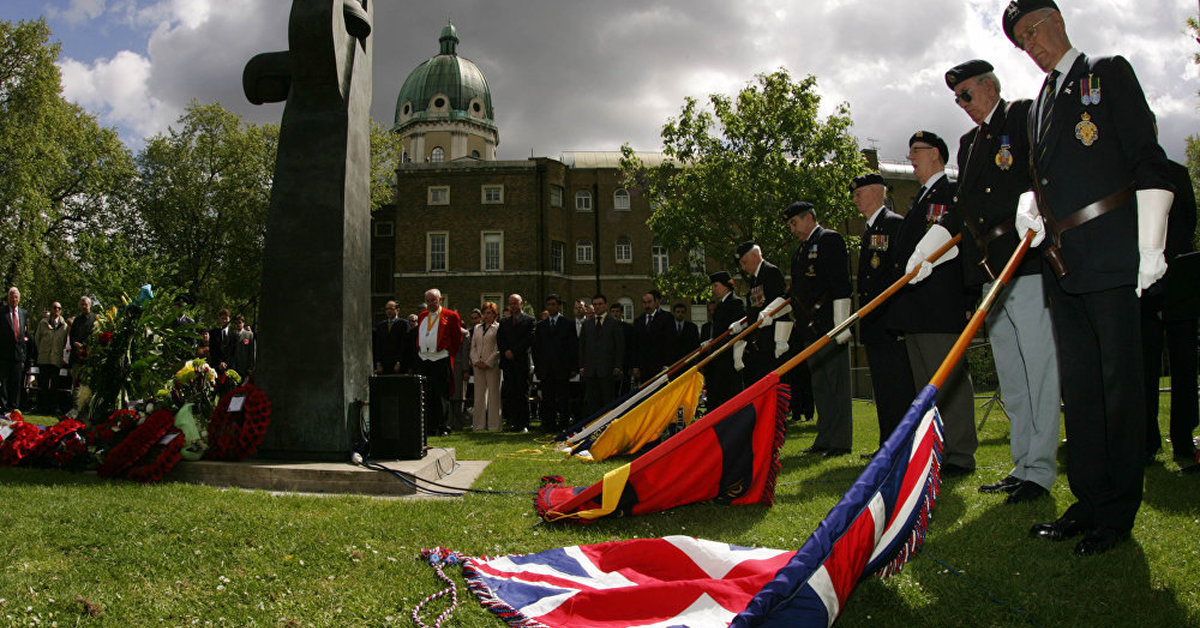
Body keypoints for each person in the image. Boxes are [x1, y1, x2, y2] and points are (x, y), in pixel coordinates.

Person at [1004, 0, 1173, 555]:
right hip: (1064, 263)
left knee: (1119, 386)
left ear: (1056, 18)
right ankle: (1089, 498)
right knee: (1080, 392)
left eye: (1033, 29)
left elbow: (1148, 158)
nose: (1031, 44)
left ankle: (1117, 513)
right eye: (1021, 40)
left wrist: (1151, 245)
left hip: (1112, 251)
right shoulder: (1039, 105)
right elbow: (1046, 174)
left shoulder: (1107, 72)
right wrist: (1031, 200)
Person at [946, 58, 1061, 503]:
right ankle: (1021, 463)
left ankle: (1042, 469)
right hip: (990, 267)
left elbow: (1041, 169)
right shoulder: (968, 142)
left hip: (1025, 258)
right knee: (1012, 375)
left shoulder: (1021, 115)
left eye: (966, 95)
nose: (962, 104)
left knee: (1039, 369)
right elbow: (967, 205)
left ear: (989, 86)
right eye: (957, 99)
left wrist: (1034, 196)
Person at [889, 130, 978, 477]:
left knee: (949, 381)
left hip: (941, 306)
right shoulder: (919, 199)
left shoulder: (951, 192)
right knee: (926, 387)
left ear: (937, 155)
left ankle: (960, 454)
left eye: (916, 151)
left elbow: (960, 244)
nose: (910, 158)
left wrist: (970, 297)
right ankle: (935, 450)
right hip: (916, 309)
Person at [851, 173, 916, 456]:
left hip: (890, 319)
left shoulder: (894, 224)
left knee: (897, 385)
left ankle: (900, 445)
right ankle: (887, 445)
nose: (855, 199)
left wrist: (898, 315)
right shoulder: (869, 229)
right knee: (883, 387)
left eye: (859, 193)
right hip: (875, 320)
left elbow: (899, 271)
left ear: (878, 192)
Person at [783, 202, 854, 457]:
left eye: (795, 223)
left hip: (829, 324)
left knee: (836, 384)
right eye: (790, 225)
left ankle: (840, 441)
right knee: (821, 385)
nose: (793, 229)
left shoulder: (829, 240)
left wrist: (841, 324)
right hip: (809, 329)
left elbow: (841, 285)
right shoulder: (800, 251)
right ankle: (824, 437)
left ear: (810, 218)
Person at [1141, 159, 1197, 463]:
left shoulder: (1177, 173)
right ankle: (1148, 441)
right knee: (1144, 367)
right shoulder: (1128, 175)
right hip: (1143, 287)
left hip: (1179, 281)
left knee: (1185, 365)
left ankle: (1184, 439)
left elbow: (1188, 220)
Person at [734, 242, 789, 387]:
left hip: (774, 339)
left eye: (745, 262)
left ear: (755, 256)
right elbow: (755, 309)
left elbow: (783, 303)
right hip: (760, 340)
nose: (743, 267)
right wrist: (743, 323)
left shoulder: (770, 272)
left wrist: (781, 341)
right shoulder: (754, 280)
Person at [413, 288, 463, 436]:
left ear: (440, 300)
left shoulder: (451, 316)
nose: (430, 303)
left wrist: (447, 352)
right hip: (424, 359)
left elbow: (457, 339)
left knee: (441, 394)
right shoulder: (422, 316)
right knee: (426, 394)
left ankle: (444, 426)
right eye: (428, 301)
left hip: (440, 358)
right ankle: (429, 426)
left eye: (433, 300)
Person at [533, 294, 578, 433]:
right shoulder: (541, 326)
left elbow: (573, 347)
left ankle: (564, 424)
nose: (551, 307)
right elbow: (536, 348)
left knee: (563, 398)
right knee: (547, 399)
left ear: (559, 306)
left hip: (562, 368)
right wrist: (538, 367)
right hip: (546, 369)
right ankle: (548, 424)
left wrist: (573, 367)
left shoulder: (568, 324)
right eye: (549, 304)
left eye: (554, 304)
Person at [704, 272, 746, 411]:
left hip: (729, 354)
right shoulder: (721, 305)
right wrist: (711, 341)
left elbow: (737, 328)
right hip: (719, 353)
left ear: (726, 286)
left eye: (716, 286)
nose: (713, 289)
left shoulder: (735, 302)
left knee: (730, 391)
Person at [578, 294, 625, 417]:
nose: (597, 307)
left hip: (607, 370)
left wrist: (617, 366)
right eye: (595, 304)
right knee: (591, 402)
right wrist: (582, 366)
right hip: (590, 371)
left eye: (600, 304)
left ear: (605, 305)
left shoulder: (614, 323)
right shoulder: (587, 324)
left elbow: (619, 346)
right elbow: (582, 347)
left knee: (607, 402)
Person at [497, 293, 535, 432]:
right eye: (511, 303)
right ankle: (513, 421)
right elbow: (500, 339)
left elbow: (529, 339)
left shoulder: (529, 320)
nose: (513, 306)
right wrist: (506, 350)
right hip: (508, 363)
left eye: (515, 303)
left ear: (521, 303)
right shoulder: (504, 321)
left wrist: (514, 351)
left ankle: (524, 422)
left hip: (521, 361)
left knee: (522, 392)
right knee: (511, 393)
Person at [470, 301, 502, 431]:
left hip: (492, 366)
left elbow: (498, 348)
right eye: (484, 313)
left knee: (494, 395)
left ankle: (494, 426)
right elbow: (473, 347)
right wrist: (476, 360)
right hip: (478, 366)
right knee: (479, 396)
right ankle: (478, 425)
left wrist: (488, 362)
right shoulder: (477, 328)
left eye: (489, 313)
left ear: (495, 314)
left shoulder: (499, 328)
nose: (487, 315)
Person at [33, 302, 69, 414]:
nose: (57, 310)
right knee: (43, 384)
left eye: (59, 308)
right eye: (54, 308)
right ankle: (41, 407)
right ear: (51, 309)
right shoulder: (43, 323)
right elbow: (37, 339)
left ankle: (52, 408)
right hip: (44, 358)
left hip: (56, 359)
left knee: (54, 385)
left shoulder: (64, 326)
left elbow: (65, 343)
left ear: (61, 310)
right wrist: (42, 351)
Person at [632, 290, 672, 385]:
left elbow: (669, 342)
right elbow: (635, 345)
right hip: (643, 367)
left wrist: (667, 364)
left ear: (655, 303)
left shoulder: (666, 318)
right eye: (644, 303)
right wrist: (635, 366)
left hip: (659, 365)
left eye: (649, 302)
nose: (647, 305)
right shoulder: (639, 321)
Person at [0, 287, 29, 412]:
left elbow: (24, 334)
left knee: (16, 382)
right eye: (12, 296)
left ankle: (14, 407)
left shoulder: (23, 313)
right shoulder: (2, 312)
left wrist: (23, 355)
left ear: (19, 299)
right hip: (4, 354)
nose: (14, 299)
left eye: (16, 296)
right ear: (8, 297)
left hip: (18, 354)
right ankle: (3, 407)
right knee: (4, 382)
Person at [373, 300, 411, 376]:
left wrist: (399, 362)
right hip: (384, 364)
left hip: (398, 364)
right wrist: (378, 363)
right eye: (387, 309)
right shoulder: (381, 326)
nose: (388, 311)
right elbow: (378, 345)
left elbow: (404, 345)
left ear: (397, 310)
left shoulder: (403, 324)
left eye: (391, 309)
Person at [609, 303, 635, 396]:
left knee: (625, 391)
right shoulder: (607, 328)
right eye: (613, 312)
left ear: (622, 313)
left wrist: (632, 366)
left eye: (617, 311)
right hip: (610, 366)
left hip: (625, 365)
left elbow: (632, 347)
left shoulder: (629, 328)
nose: (615, 314)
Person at [209, 309, 232, 374]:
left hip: (230, 367)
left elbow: (234, 352)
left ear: (229, 319)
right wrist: (219, 363)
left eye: (226, 318)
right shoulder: (213, 333)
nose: (224, 321)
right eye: (222, 318)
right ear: (219, 319)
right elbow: (212, 350)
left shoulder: (234, 334)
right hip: (216, 367)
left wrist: (226, 363)